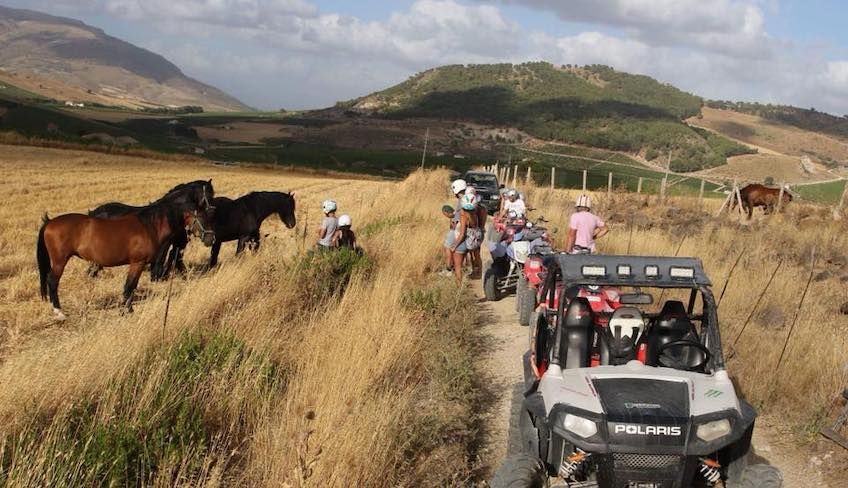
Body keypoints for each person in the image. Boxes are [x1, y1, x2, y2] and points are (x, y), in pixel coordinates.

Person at [450, 193, 483, 282]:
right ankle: (479, 273)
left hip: (464, 240)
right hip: (474, 239)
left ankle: (458, 287)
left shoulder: (463, 214)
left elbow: (462, 234)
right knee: (476, 256)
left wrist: (454, 245)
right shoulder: (477, 211)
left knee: (458, 266)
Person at [442, 179, 467, 273]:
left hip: (459, 228)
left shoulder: (462, 201)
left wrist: (452, 220)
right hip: (465, 228)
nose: (453, 193)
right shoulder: (467, 198)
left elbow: (459, 217)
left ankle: (449, 269)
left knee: (447, 247)